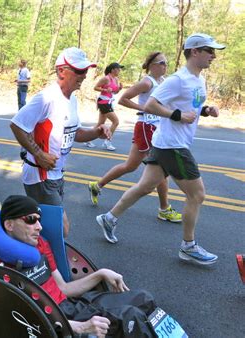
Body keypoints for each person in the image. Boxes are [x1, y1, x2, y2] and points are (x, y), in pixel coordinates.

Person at [96, 33, 225, 265]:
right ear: (194, 52)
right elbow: (152, 104)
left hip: (166, 141)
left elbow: (187, 107)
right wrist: (176, 115)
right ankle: (188, 246)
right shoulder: (178, 79)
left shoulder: (198, 80)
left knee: (144, 186)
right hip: (173, 145)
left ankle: (108, 217)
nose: (213, 56)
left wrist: (206, 110)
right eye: (209, 50)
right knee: (197, 195)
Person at [0, 195, 157, 337]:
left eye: (39, 220)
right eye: (31, 220)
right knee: (131, 317)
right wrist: (80, 327)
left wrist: (101, 274)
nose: (39, 226)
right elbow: (18, 319)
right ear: (9, 224)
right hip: (55, 322)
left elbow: (63, 288)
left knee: (144, 298)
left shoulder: (40, 245)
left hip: (70, 305)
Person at [10, 47, 110, 236]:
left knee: (46, 229)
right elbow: (17, 125)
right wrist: (39, 155)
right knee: (60, 228)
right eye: (79, 71)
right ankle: (45, 262)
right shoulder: (47, 97)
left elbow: (76, 133)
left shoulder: (71, 99)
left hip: (56, 175)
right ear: (61, 71)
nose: (84, 75)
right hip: (40, 175)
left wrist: (97, 132)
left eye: (85, 71)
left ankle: (38, 260)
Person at [88, 52, 182, 223]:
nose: (165, 66)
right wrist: (145, 108)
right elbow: (123, 99)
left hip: (155, 128)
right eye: (162, 63)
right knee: (161, 169)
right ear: (152, 65)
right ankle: (164, 208)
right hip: (146, 128)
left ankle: (97, 185)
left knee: (131, 166)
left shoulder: (162, 81)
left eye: (166, 63)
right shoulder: (147, 82)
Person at [86, 62, 123, 151]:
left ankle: (87, 139)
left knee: (100, 123)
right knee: (116, 121)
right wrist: (105, 89)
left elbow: (114, 92)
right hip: (103, 102)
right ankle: (107, 141)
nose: (119, 70)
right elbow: (95, 87)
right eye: (118, 69)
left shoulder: (116, 79)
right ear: (113, 69)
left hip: (109, 102)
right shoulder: (106, 78)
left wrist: (119, 89)